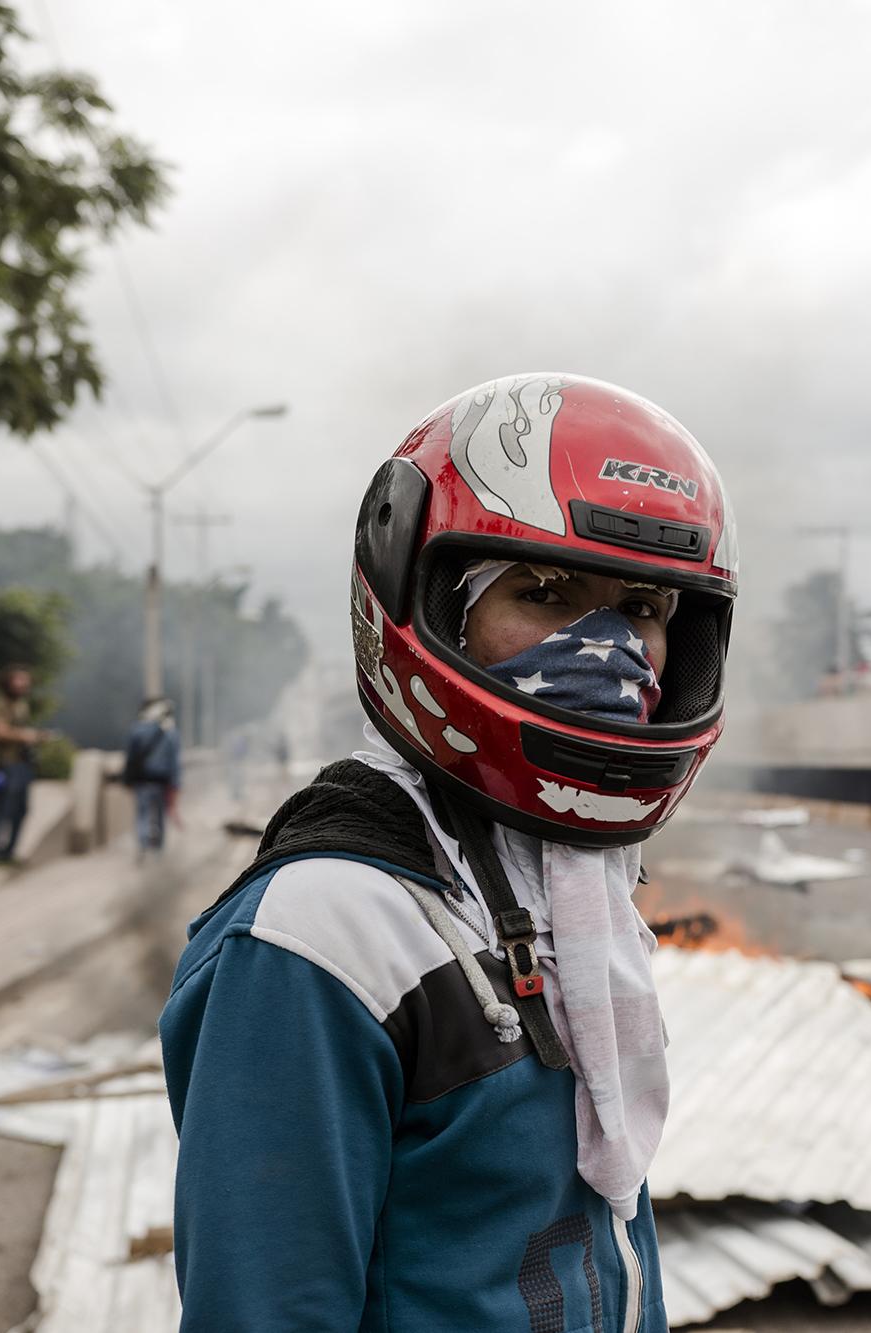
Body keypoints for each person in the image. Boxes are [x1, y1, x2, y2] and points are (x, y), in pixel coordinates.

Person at [159, 374, 738, 1331]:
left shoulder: (576, 895)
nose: (608, 650)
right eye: (544, 592)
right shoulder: (323, 934)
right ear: (424, 599)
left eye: (642, 608)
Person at [0, 666, 44, 865]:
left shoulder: (21, 705)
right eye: (19, 680)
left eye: (25, 681)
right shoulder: (1, 704)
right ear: (8, 682)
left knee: (21, 809)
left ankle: (8, 851)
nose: (24, 684)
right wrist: (25, 736)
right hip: (8, 763)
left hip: (23, 762)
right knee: (3, 808)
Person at [124, 696, 182, 861]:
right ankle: (158, 851)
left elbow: (130, 757)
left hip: (142, 782)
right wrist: (176, 785)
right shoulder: (171, 732)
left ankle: (142, 847)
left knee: (142, 815)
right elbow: (174, 762)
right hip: (161, 782)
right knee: (159, 818)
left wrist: (127, 779)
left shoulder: (138, 729)